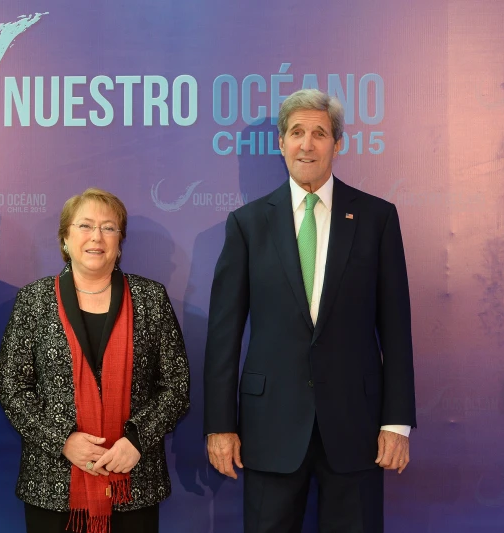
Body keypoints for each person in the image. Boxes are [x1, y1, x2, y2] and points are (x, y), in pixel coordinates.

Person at [203, 89, 416, 532]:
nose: (307, 143)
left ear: (338, 144)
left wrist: (397, 422)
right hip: (269, 427)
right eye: (297, 132)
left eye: (319, 133)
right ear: (280, 143)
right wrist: (220, 426)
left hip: (356, 428)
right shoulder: (246, 224)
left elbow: (396, 328)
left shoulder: (377, 218)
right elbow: (224, 335)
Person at [0, 188, 190, 533]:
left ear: (120, 241)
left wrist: (136, 440)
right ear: (65, 239)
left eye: (108, 227)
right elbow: (11, 386)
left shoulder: (151, 298)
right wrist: (63, 440)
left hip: (133, 482)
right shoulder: (34, 301)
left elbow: (176, 385)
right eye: (84, 226)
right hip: (53, 485)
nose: (96, 237)